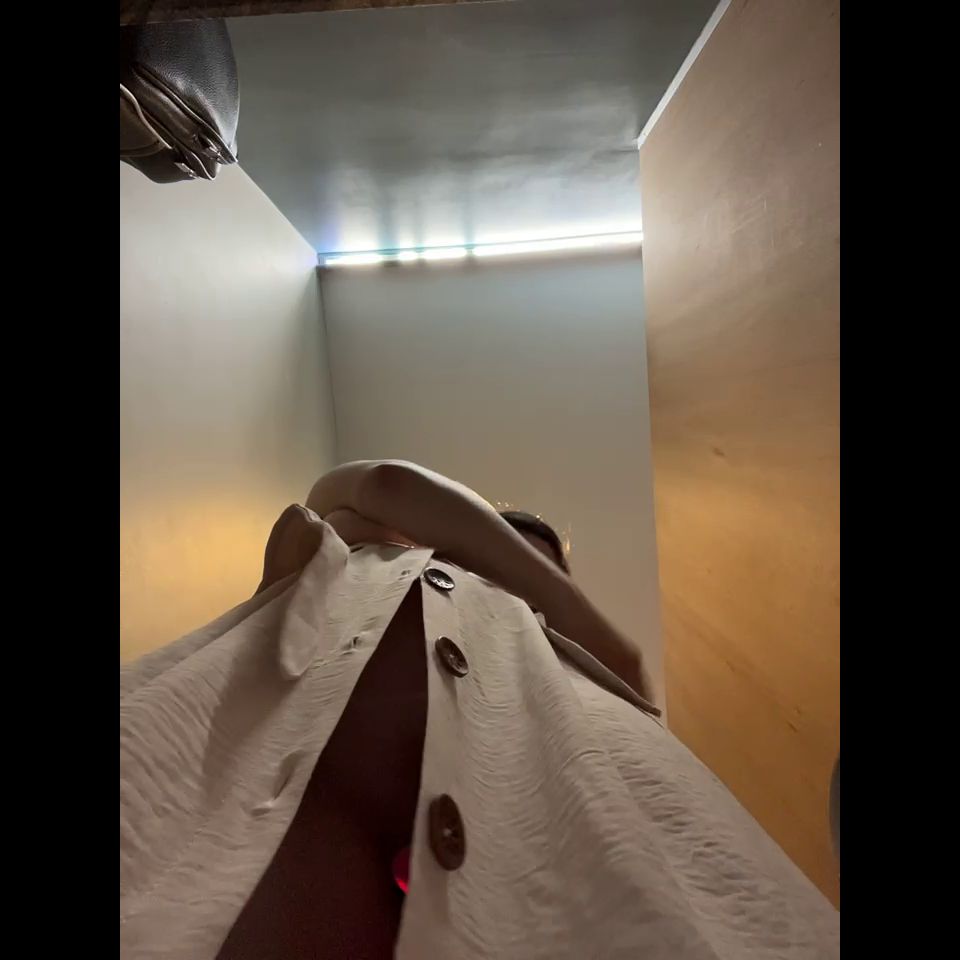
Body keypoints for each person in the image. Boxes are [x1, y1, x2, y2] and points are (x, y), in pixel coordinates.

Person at [120, 460, 839, 959]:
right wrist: (585, 621)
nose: (523, 573)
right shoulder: (369, 549)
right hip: (305, 746)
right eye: (507, 547)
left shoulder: (574, 663)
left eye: (549, 568)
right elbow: (390, 484)